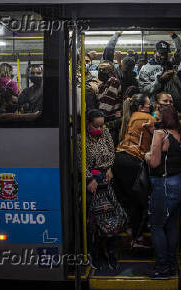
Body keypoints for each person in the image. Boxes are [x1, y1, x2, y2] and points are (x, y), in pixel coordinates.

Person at [76, 109, 127, 270]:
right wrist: (89, 179)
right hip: (91, 180)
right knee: (93, 221)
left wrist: (110, 168)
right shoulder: (80, 138)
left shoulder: (105, 133)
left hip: (106, 178)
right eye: (96, 125)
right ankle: (94, 252)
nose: (99, 128)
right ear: (88, 124)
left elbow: (112, 152)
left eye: (101, 125)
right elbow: (80, 161)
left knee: (111, 216)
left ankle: (110, 251)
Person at [144, 105, 181, 279]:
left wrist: (146, 155)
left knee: (157, 226)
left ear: (162, 118)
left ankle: (162, 268)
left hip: (164, 185)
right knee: (172, 227)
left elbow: (154, 162)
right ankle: (172, 265)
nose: (155, 117)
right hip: (179, 182)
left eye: (157, 115)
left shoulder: (160, 134)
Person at [113, 94, 155, 248]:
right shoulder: (146, 117)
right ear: (140, 107)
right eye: (148, 105)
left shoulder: (134, 116)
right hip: (132, 161)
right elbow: (164, 127)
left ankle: (130, 230)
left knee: (131, 199)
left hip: (120, 159)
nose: (150, 107)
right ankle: (136, 237)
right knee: (141, 201)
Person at [138, 32, 181, 102]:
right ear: (154, 52)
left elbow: (180, 50)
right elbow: (143, 90)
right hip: (154, 106)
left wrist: (174, 36)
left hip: (172, 104)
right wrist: (160, 80)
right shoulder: (145, 69)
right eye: (161, 53)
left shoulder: (171, 64)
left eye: (165, 53)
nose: (163, 56)